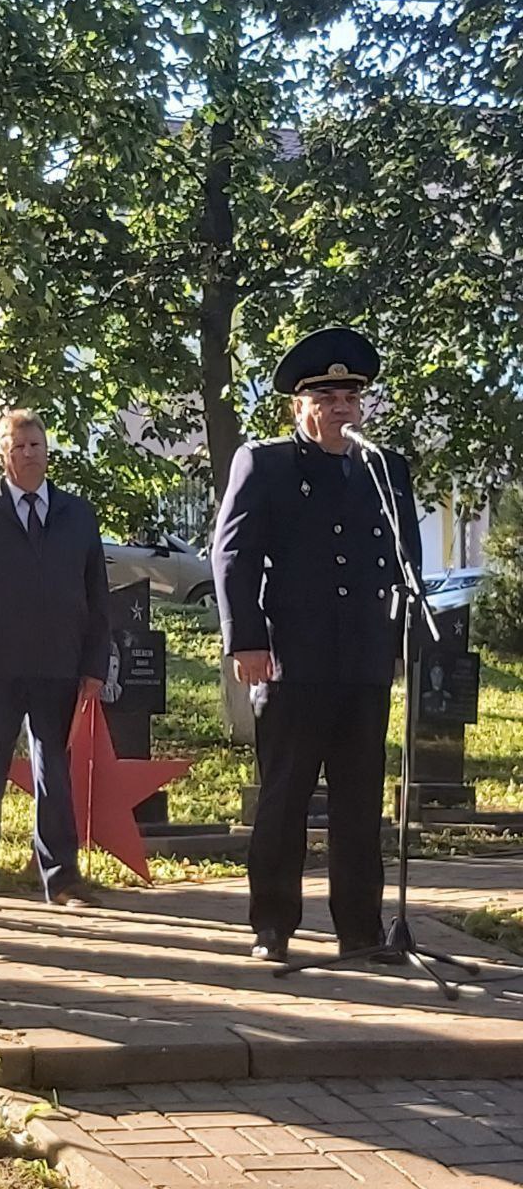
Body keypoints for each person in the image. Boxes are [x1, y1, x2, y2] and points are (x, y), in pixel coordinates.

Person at [213, 327, 421, 963]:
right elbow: (233, 556)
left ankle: (360, 929)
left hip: (362, 660)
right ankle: (273, 925)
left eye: (351, 397)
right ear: (298, 405)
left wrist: (398, 639)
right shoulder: (267, 463)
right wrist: (246, 640)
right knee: (285, 798)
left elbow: (406, 557)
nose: (341, 408)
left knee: (360, 802)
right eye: (326, 397)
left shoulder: (384, 469)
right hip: (291, 660)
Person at [0, 408, 110, 909]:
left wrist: (94, 665)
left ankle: (62, 880)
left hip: (59, 662)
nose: (30, 453)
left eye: (36, 445)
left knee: (54, 773)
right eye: (19, 446)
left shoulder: (77, 514)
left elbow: (97, 594)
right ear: (3, 455)